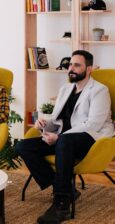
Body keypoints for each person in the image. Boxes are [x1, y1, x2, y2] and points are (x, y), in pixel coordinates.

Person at [15, 50, 114, 224]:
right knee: (23, 146)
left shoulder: (99, 91)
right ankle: (66, 189)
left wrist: (59, 138)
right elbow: (57, 118)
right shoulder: (65, 89)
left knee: (65, 141)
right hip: (65, 140)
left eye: (77, 65)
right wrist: (45, 123)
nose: (71, 68)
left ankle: (62, 205)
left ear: (89, 69)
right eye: (70, 64)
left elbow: (93, 124)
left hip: (91, 139)